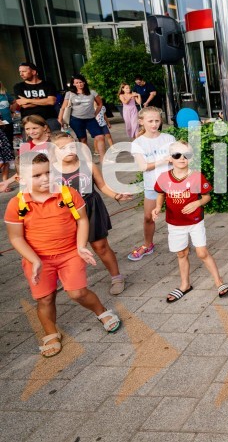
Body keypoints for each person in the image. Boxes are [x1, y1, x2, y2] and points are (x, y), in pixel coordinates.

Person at [5, 152, 121, 358]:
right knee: (45, 298)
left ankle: (101, 311)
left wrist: (80, 246)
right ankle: (51, 333)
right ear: (20, 179)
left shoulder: (67, 194)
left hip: (70, 253)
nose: (45, 178)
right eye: (37, 175)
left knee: (77, 293)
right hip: (38, 259)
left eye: (48, 172)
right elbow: (16, 238)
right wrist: (34, 260)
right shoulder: (17, 204)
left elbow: (82, 220)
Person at [52, 132, 130, 295]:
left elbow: (102, 185)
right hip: (65, 213)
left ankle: (116, 277)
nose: (69, 150)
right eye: (63, 148)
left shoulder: (88, 165)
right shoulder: (50, 171)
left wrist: (116, 195)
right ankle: (66, 277)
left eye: (72, 145)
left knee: (100, 246)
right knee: (68, 248)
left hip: (90, 208)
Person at [152, 140, 228, 301]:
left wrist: (197, 202)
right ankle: (185, 284)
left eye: (186, 155)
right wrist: (158, 207)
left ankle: (218, 281)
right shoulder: (163, 177)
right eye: (177, 155)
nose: (182, 158)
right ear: (170, 158)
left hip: (195, 221)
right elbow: (160, 194)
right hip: (174, 223)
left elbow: (207, 196)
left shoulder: (196, 176)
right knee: (181, 253)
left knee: (202, 252)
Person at [129, 106, 175, 261]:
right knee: (149, 217)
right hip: (152, 185)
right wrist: (163, 160)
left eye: (157, 120)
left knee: (178, 214)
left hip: (172, 183)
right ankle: (148, 244)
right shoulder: (138, 143)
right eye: (150, 121)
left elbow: (179, 159)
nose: (154, 124)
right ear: (141, 122)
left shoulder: (169, 139)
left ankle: (182, 243)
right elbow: (143, 166)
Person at [59, 74, 106, 160]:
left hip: (91, 119)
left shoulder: (92, 92)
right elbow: (63, 107)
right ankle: (87, 160)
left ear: (84, 82)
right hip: (76, 119)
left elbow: (100, 104)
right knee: (83, 139)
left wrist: (95, 114)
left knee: (100, 136)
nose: (79, 84)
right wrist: (60, 119)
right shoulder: (70, 94)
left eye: (80, 82)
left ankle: (103, 158)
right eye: (76, 83)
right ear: (73, 84)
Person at [13, 62, 60, 132]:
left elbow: (51, 101)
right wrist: (43, 101)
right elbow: (24, 105)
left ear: (34, 72)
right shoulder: (18, 87)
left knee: (54, 141)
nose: (21, 74)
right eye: (20, 72)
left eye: (24, 71)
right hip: (29, 120)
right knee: (31, 142)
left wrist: (28, 100)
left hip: (49, 119)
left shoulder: (48, 85)